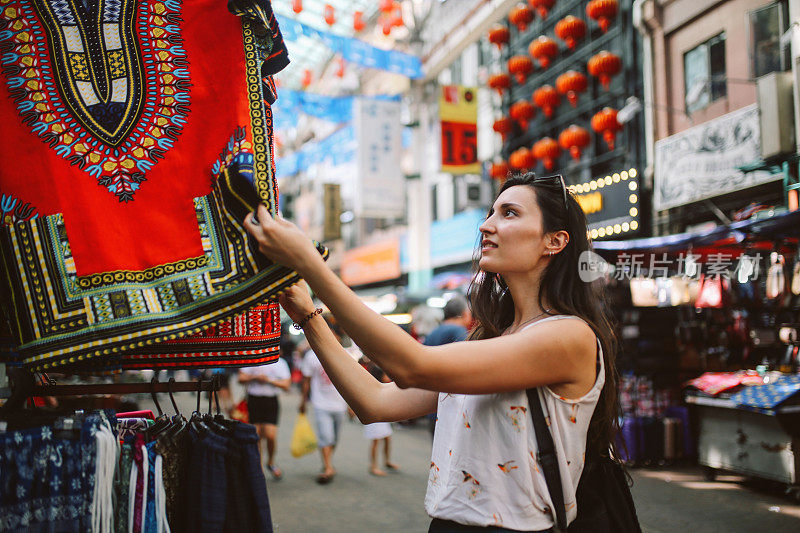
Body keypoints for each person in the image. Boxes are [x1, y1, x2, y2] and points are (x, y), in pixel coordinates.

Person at [245, 172, 620, 532]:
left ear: (554, 241)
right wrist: (309, 316)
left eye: (509, 213)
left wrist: (311, 267)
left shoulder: (569, 336)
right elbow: (376, 402)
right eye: (491, 212)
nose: (485, 225)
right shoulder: (489, 339)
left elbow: (413, 365)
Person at [299, 314, 350, 485]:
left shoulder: (344, 355)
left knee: (334, 439)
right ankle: (328, 467)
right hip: (320, 403)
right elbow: (306, 381)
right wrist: (303, 401)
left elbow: (350, 383)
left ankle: (328, 463)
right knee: (325, 436)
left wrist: (351, 405)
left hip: (339, 405)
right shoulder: (312, 356)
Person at [423, 295, 472, 436]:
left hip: (432, 408)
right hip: (452, 407)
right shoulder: (459, 332)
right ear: (464, 314)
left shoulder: (432, 334)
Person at [238, 359, 291, 480]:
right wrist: (254, 377)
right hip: (253, 400)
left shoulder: (280, 362)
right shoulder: (252, 359)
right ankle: (258, 466)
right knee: (256, 436)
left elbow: (286, 385)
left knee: (270, 435)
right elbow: (240, 378)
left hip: (271, 401)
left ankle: (271, 462)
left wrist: (268, 380)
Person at [360, 357, 401, 476]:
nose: (388, 378)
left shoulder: (383, 386)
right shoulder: (374, 387)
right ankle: (373, 466)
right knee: (376, 441)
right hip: (374, 415)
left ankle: (387, 461)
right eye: (385, 375)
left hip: (381, 415)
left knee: (387, 438)